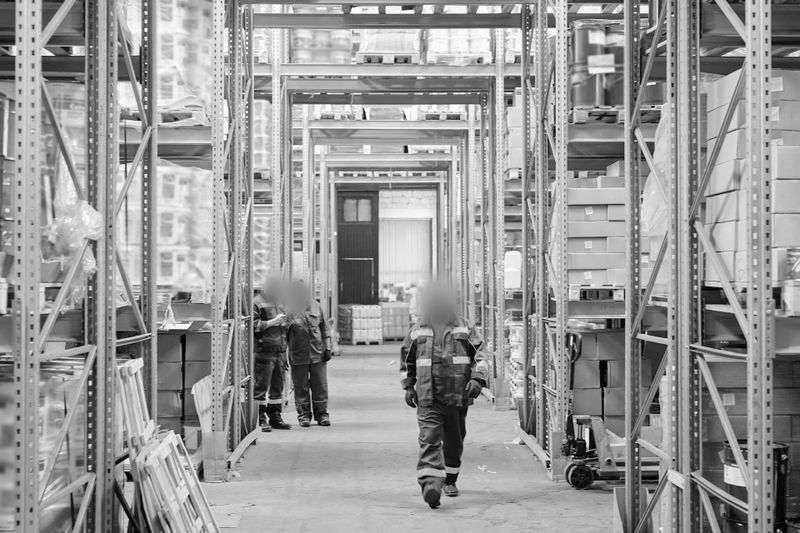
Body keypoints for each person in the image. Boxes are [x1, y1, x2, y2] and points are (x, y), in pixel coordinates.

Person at [400, 281, 489, 509]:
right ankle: (430, 483)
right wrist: (409, 385)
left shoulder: (464, 328)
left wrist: (477, 379)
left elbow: (482, 354)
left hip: (457, 395)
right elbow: (407, 359)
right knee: (429, 439)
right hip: (428, 396)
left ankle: (450, 479)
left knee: (454, 440)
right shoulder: (418, 328)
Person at [286, 281, 333, 427]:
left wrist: (328, 348)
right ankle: (304, 416)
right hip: (298, 354)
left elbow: (325, 328)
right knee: (301, 387)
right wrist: (283, 354)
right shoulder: (289, 310)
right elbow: (283, 334)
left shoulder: (316, 306)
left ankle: (322, 415)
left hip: (317, 353)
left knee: (320, 385)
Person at [253, 277, 292, 431]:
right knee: (261, 385)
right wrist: (272, 322)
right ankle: (260, 418)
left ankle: (275, 416)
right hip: (265, 350)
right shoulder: (257, 302)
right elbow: (252, 325)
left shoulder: (280, 301)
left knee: (278, 386)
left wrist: (286, 322)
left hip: (281, 349)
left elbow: (283, 325)